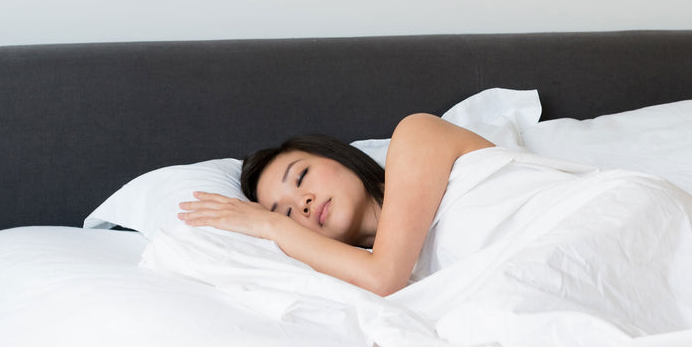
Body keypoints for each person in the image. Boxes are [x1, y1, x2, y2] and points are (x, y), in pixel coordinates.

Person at [178, 113, 491, 296]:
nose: (302, 203)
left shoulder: (417, 133)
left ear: (337, 156)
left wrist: (271, 223)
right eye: (287, 213)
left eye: (301, 177)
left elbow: (382, 278)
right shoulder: (379, 270)